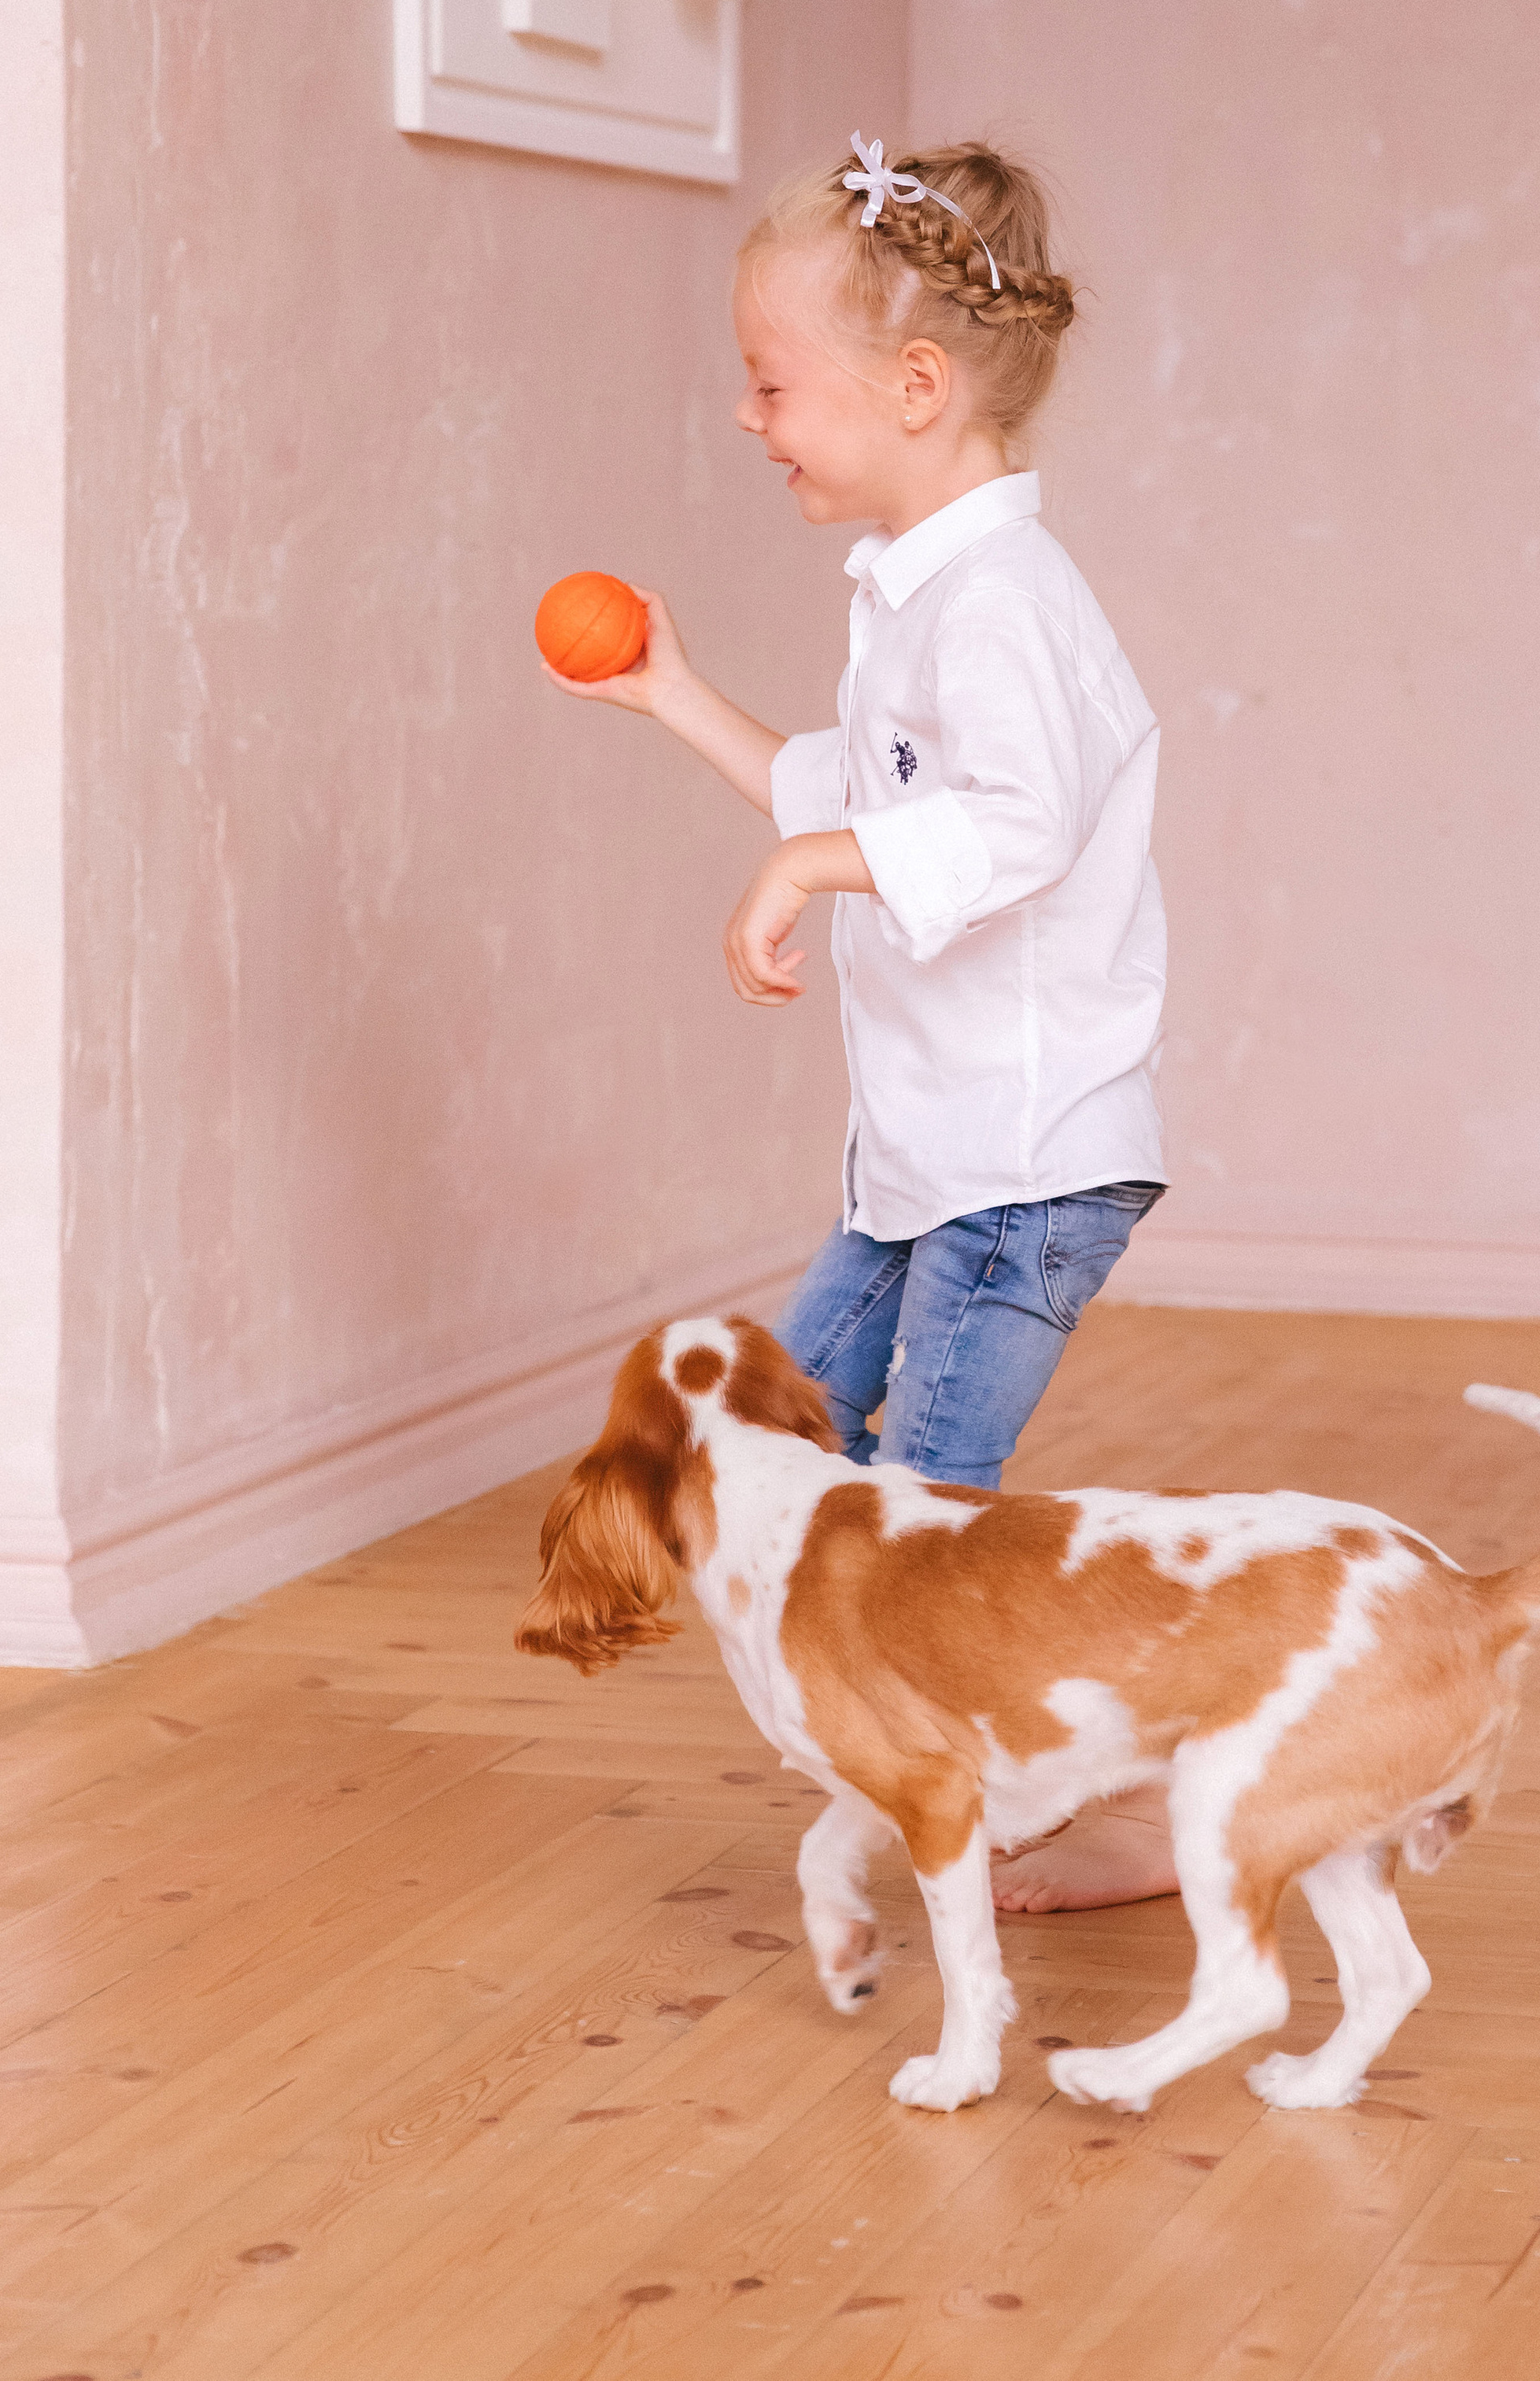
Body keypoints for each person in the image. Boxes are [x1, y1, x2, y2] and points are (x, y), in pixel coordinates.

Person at [543, 133, 1187, 1907]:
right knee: (786, 1428)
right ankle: (921, 1747)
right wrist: (669, 692)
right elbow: (830, 798)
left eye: (769, 383)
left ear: (911, 388)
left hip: (1025, 1166)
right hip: (928, 1159)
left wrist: (815, 866)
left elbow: (1007, 831)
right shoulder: (911, 599)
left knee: (915, 1515)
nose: (749, 420)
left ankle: (1050, 1804)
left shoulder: (1002, 608)